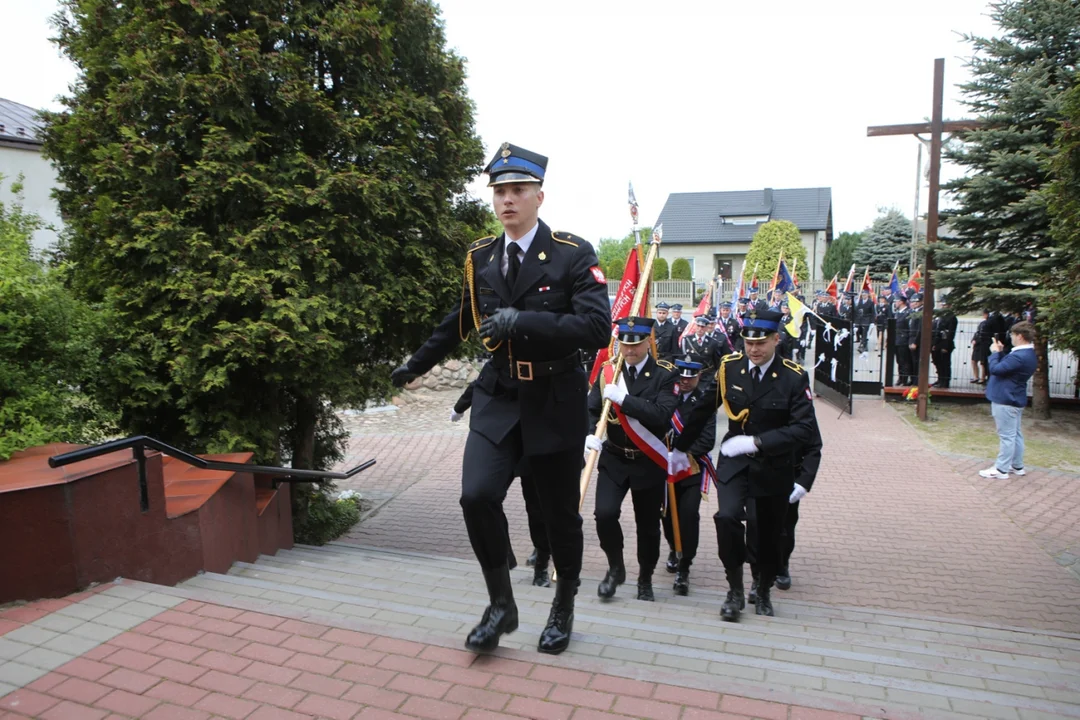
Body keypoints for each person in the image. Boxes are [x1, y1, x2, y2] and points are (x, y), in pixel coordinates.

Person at [390, 142, 610, 655]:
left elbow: (598, 328)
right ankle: (500, 604)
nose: (507, 200)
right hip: (500, 393)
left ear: (538, 195)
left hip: (555, 396)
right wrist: (417, 363)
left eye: (518, 190)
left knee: (558, 516)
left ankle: (563, 606)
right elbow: (462, 317)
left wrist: (525, 321)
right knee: (476, 496)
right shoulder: (481, 256)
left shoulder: (571, 253)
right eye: (500, 191)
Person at [671, 309, 820, 620]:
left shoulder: (793, 376)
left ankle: (762, 588)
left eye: (761, 343)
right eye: (748, 342)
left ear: (776, 340)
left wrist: (757, 442)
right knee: (726, 517)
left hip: (773, 466)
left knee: (766, 533)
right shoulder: (730, 368)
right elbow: (701, 411)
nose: (753, 349)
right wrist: (680, 449)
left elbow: (804, 429)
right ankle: (735, 589)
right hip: (735, 464)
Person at [587, 317, 680, 602]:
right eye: (625, 345)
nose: (630, 351)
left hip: (647, 460)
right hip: (615, 457)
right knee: (604, 514)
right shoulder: (608, 372)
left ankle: (645, 578)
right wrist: (589, 435)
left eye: (636, 344)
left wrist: (624, 401)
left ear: (648, 342)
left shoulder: (666, 374)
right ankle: (615, 568)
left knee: (648, 525)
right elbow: (591, 409)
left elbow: (661, 415)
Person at [452, 383, 551, 587]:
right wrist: (460, 406)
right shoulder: (505, 354)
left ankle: (542, 563)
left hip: (535, 433)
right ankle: (503, 554)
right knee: (486, 497)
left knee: (538, 508)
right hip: (502, 436)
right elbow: (487, 378)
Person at [746, 422, 822, 599]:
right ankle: (758, 576)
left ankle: (781, 564)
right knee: (755, 524)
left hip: (788, 474)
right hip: (757, 472)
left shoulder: (801, 409)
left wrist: (804, 481)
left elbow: (814, 446)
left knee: (784, 526)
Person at [661, 357, 717, 595]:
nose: (684, 382)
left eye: (689, 378)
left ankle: (685, 565)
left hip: (691, 468)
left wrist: (683, 454)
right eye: (681, 377)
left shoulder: (704, 401)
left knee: (688, 515)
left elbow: (707, 438)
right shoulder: (666, 397)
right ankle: (675, 548)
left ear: (698, 377)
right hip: (664, 466)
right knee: (666, 514)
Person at [979, 321, 1038, 479]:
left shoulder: (1020, 356)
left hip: (1006, 399)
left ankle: (1001, 469)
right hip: (1013, 398)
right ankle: (1016, 465)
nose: (1011, 338)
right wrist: (1000, 352)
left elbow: (996, 369)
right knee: (1015, 434)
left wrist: (994, 354)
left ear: (1019, 336)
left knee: (1007, 436)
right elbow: (1007, 367)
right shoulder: (1026, 353)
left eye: (1012, 335)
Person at [932, 297, 958, 389]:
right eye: (942, 305)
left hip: (945, 343)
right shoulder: (940, 316)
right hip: (938, 343)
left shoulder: (951, 317)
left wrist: (946, 346)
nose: (943, 307)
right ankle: (940, 379)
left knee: (945, 363)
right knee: (938, 362)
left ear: (950, 306)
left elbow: (950, 333)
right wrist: (934, 344)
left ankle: (945, 381)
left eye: (945, 305)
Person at [893, 295, 912, 385]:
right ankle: (900, 378)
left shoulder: (907, 313)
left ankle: (904, 379)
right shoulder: (897, 313)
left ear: (901, 302)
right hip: (897, 340)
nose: (895, 303)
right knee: (899, 361)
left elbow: (909, 328)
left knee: (904, 361)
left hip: (903, 340)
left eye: (896, 301)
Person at [971, 309, 993, 384]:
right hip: (978, 345)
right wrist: (973, 339)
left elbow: (984, 335)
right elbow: (977, 332)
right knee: (974, 361)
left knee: (983, 362)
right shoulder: (982, 323)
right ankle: (976, 376)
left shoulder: (989, 323)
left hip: (983, 345)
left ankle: (982, 378)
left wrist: (976, 340)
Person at [907, 293, 924, 385]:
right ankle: (913, 379)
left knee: (917, 361)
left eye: (916, 301)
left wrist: (915, 342)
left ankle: (917, 380)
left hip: (917, 341)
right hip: (910, 339)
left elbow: (920, 329)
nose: (914, 303)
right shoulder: (913, 311)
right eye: (913, 301)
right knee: (911, 361)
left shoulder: (922, 313)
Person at [853, 289, 876, 353]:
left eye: (865, 295)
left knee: (865, 333)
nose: (863, 296)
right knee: (860, 332)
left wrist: (872, 322)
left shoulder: (870, 302)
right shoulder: (859, 301)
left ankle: (862, 346)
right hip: (859, 320)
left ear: (867, 295)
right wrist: (855, 322)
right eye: (862, 295)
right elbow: (856, 312)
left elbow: (873, 312)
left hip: (867, 319)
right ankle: (864, 345)